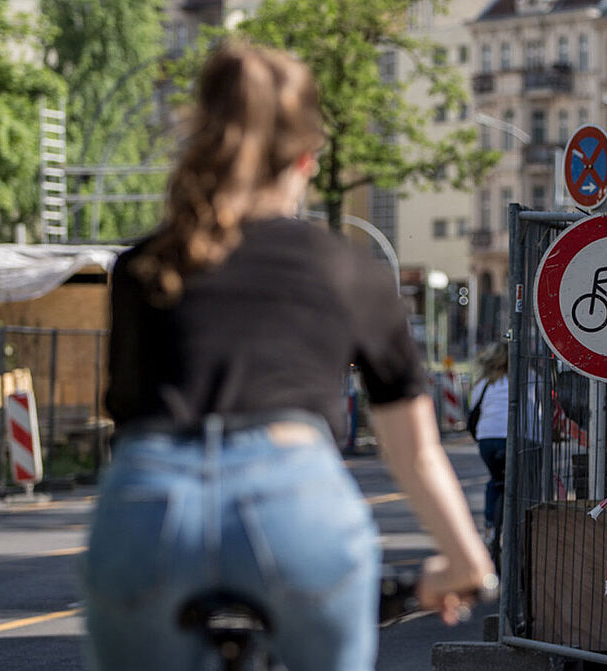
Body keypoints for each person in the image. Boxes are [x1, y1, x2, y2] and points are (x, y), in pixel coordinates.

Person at [84, 43, 496, 671]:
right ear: (307, 160)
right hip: (293, 509)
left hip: (147, 507)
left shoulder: (141, 266)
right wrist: (463, 562)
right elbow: (412, 452)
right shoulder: (348, 269)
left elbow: (127, 417)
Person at [469, 343, 510, 553]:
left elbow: (473, 412)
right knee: (521, 483)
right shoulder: (526, 378)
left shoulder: (484, 383)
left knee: (495, 480)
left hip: (488, 439)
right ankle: (518, 524)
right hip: (516, 439)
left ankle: (490, 529)